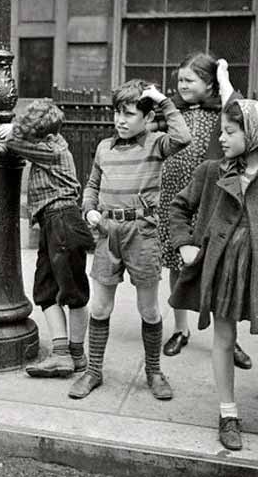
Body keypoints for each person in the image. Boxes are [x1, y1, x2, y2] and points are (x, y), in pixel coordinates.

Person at [69, 80, 192, 401]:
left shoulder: (155, 143)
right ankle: (93, 371)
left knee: (149, 309)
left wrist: (162, 100)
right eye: (117, 114)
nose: (121, 121)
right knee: (100, 306)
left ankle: (154, 371)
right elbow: (91, 185)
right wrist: (89, 209)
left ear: (147, 118)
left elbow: (184, 137)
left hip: (142, 234)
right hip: (108, 233)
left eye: (129, 114)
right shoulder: (104, 148)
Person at [169, 99, 258, 450]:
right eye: (222, 130)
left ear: (251, 135)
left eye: (230, 132)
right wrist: (184, 244)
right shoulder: (211, 172)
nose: (221, 138)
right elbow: (179, 207)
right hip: (223, 269)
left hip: (256, 272)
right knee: (223, 338)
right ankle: (228, 413)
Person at [157, 53, 252, 369]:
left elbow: (235, 106)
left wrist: (224, 78)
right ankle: (180, 328)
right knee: (177, 262)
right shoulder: (173, 112)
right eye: (179, 80)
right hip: (178, 194)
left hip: (213, 199)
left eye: (189, 80)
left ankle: (228, 338)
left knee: (219, 263)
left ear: (208, 83)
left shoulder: (220, 115)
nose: (182, 85)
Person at [0, 99, 95, 379]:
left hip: (64, 221)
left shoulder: (53, 148)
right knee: (44, 289)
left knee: (74, 291)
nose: (31, 139)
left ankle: (74, 353)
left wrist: (13, 129)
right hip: (53, 223)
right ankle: (63, 353)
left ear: (48, 136)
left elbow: (14, 144)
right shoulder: (45, 145)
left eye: (34, 135)